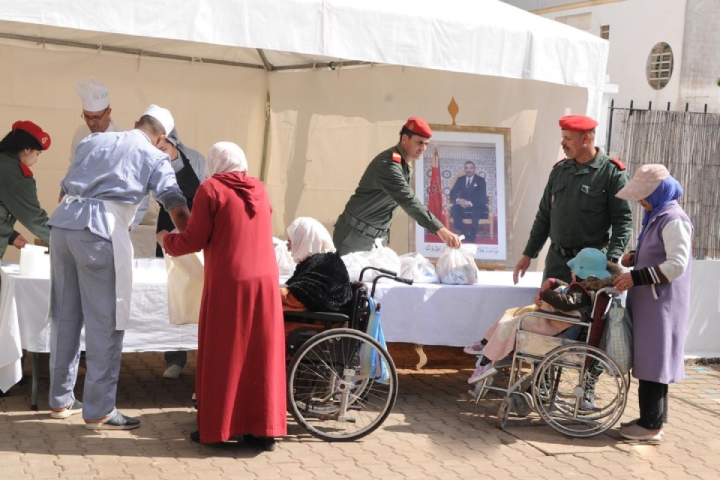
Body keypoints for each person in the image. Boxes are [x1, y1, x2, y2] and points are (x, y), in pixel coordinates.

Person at [47, 105, 190, 430]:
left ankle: (61, 399)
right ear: (161, 137)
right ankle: (100, 409)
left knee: (65, 315)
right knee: (106, 321)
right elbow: (174, 204)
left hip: (63, 226)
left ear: (138, 122)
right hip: (99, 231)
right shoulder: (155, 157)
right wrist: (196, 239)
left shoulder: (94, 141)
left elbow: (63, 190)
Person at [157, 142, 286, 450]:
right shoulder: (259, 188)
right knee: (261, 354)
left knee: (224, 352)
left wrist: (167, 240)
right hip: (266, 281)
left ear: (215, 163)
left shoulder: (211, 189)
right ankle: (263, 430)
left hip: (230, 282)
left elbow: (195, 238)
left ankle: (218, 428)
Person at [613, 164, 693, 442]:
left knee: (655, 362)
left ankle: (651, 425)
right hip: (652, 302)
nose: (640, 201)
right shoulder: (657, 216)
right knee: (650, 360)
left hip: (663, 305)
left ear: (659, 192)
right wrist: (636, 256)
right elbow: (660, 252)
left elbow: (676, 265)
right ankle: (652, 418)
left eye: (644, 195)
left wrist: (637, 277)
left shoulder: (673, 219)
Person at [467, 248, 621, 385]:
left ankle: (486, 359)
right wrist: (554, 283)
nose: (571, 272)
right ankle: (485, 345)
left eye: (573, 270)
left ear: (581, 272)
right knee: (512, 314)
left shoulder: (581, 292)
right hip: (560, 323)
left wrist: (545, 293)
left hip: (561, 327)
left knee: (512, 322)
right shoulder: (586, 289)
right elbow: (570, 292)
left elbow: (567, 303)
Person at [513, 115, 633, 284]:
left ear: (586, 138)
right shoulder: (559, 171)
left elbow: (623, 222)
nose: (563, 143)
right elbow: (544, 216)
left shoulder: (612, 173)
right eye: (563, 137)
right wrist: (528, 254)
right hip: (556, 262)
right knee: (549, 309)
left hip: (590, 266)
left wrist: (610, 261)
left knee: (583, 310)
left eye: (568, 138)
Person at [333, 117, 461, 256]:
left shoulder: (403, 164)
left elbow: (388, 206)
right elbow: (407, 199)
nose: (423, 148)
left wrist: (386, 240)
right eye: (419, 142)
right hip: (354, 237)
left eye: (426, 144)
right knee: (350, 277)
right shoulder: (389, 164)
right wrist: (440, 230)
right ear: (405, 139)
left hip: (375, 239)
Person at [153, 128, 207, 379]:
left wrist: (199, 226)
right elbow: (142, 196)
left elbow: (208, 191)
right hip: (167, 227)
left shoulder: (196, 159)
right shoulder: (151, 161)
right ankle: (174, 358)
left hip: (196, 226)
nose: (159, 155)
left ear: (174, 144)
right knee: (169, 292)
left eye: (163, 149)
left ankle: (201, 353)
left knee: (195, 289)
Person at [0, 121, 52, 260]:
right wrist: (66, 242)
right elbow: (35, 219)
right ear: (27, 149)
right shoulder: (16, 176)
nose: (36, 159)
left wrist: (11, 236)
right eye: (38, 153)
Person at [281, 217, 351, 312]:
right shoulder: (322, 261)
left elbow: (298, 299)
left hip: (318, 321)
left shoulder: (324, 263)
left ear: (303, 242)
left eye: (290, 244)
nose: (289, 249)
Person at [69, 77, 121, 164]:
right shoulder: (80, 133)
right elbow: (74, 166)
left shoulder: (119, 139)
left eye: (96, 117)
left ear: (108, 112)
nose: (91, 122)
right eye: (86, 116)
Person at [449, 161, 488, 242]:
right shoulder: (460, 179)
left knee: (476, 210)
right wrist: (459, 200)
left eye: (470, 168)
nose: (468, 170)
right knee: (455, 209)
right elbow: (452, 192)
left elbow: (482, 196)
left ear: (474, 169)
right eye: (466, 168)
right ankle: (464, 234)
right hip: (462, 205)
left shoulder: (480, 180)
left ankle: (473, 236)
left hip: (476, 204)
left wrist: (470, 203)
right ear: (464, 169)